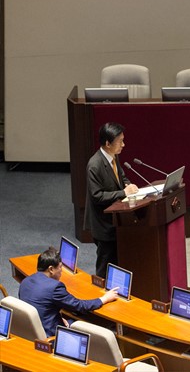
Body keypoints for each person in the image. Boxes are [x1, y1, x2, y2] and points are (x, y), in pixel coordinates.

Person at [18, 248, 119, 337]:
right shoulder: (54, 287)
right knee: (91, 326)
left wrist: (58, 318)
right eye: (60, 267)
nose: (61, 271)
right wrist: (104, 298)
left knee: (70, 318)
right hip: (51, 335)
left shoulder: (25, 281)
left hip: (31, 331)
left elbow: (41, 306)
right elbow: (80, 306)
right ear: (51, 269)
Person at [84, 122, 138, 278]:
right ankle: (100, 291)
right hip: (103, 224)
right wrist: (123, 192)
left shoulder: (113, 157)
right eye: (120, 141)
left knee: (117, 261)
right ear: (108, 144)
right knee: (105, 265)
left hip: (115, 220)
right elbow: (97, 196)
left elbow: (120, 176)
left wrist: (128, 184)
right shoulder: (94, 165)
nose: (123, 144)